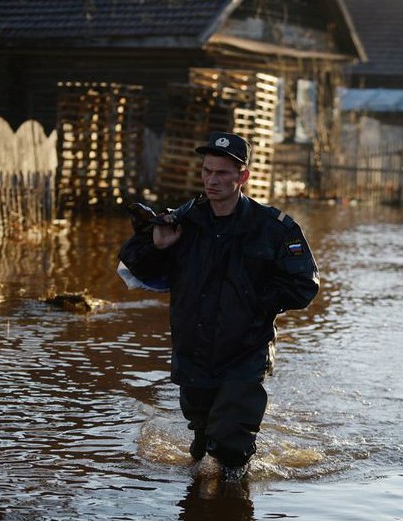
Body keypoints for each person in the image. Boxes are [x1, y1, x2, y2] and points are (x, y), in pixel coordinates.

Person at [118, 131, 319, 481]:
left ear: (243, 177)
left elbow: (304, 284)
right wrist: (158, 244)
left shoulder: (272, 228)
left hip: (245, 351)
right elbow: (134, 270)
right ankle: (200, 494)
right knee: (202, 439)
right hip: (193, 351)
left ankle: (231, 500)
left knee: (231, 446)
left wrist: (255, 305)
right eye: (207, 171)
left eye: (222, 173)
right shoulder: (184, 221)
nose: (212, 180)